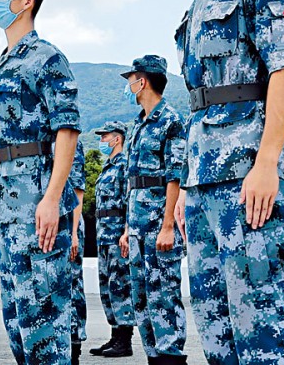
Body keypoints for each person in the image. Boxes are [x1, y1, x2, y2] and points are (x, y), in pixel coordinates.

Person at [170, 0, 284, 365]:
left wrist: (268, 161)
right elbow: (200, 97)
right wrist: (188, 185)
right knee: (215, 322)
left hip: (249, 169)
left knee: (261, 316)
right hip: (205, 174)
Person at [0, 0, 80, 365]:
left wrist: (52, 198)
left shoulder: (46, 57)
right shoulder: (5, 59)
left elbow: (67, 130)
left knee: (44, 321)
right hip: (8, 206)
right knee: (19, 321)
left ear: (27, 1)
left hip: (36, 201)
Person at [118, 55, 187, 364]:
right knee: (142, 296)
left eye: (131, 78)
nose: (129, 84)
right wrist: (125, 230)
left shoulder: (171, 121)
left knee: (164, 294)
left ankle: (171, 356)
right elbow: (130, 184)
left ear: (142, 81)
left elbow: (175, 175)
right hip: (136, 228)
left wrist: (169, 225)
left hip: (160, 223)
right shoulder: (137, 125)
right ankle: (154, 356)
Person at [89, 121, 135, 358]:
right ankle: (115, 335)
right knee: (107, 287)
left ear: (117, 139)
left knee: (120, 286)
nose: (102, 141)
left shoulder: (124, 165)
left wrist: (126, 232)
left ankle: (124, 340)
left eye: (104, 137)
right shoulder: (108, 166)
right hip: (104, 236)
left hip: (117, 236)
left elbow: (129, 200)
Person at [68, 142, 88, 365]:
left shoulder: (71, 144)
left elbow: (77, 192)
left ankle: (74, 344)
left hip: (69, 224)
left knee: (72, 284)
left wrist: (73, 232)